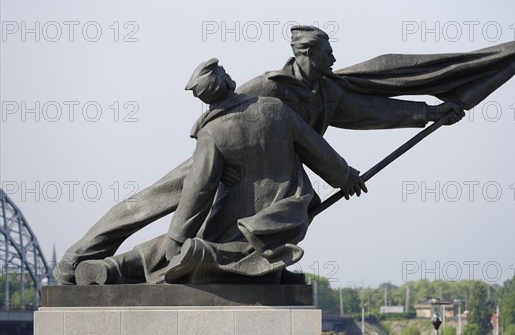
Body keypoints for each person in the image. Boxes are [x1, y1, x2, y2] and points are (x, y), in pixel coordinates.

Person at [56, 26, 464, 284]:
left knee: (213, 231)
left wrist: (428, 113)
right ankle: (81, 254)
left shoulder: (327, 91)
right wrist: (208, 140)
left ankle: (135, 265)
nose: (335, 59)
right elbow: (226, 111)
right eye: (328, 53)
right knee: (159, 197)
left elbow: (372, 111)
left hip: (263, 181)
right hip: (225, 154)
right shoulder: (268, 90)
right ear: (305, 54)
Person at [73, 58, 366, 284]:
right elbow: (317, 149)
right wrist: (346, 177)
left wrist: (176, 240)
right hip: (285, 216)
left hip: (237, 222)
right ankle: (110, 268)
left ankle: (112, 268)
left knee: (180, 247)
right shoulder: (274, 109)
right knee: (196, 245)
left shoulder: (214, 133)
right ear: (227, 82)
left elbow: (198, 191)